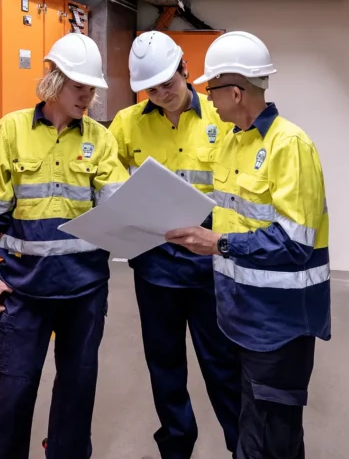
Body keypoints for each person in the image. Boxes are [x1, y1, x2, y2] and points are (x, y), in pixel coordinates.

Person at [165, 31, 331, 459]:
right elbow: (231, 213)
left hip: (279, 326)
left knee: (272, 440)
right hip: (239, 318)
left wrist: (218, 243)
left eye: (211, 89)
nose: (208, 99)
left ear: (236, 92)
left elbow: (295, 244)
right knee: (253, 430)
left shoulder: (289, 145)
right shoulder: (233, 142)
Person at [0, 32, 129, 459]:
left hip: (84, 291)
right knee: (8, 399)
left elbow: (120, 210)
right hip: (23, 292)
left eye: (92, 89)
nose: (88, 97)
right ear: (54, 82)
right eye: (80, 87)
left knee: (76, 397)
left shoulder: (101, 139)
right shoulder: (12, 130)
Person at [108, 31, 241, 459]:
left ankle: (243, 446)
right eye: (152, 87)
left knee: (223, 368)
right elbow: (107, 182)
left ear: (185, 69)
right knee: (164, 369)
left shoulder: (220, 119)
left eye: (169, 82)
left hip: (210, 269)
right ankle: (177, 446)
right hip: (156, 271)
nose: (162, 93)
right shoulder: (128, 124)